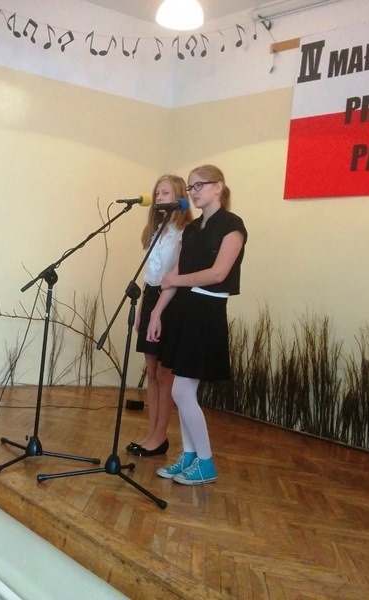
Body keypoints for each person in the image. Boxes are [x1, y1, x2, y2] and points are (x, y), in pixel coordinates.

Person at [147, 165, 247, 485]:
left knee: (181, 390)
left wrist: (175, 280)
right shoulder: (191, 230)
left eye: (199, 185)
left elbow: (218, 274)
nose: (193, 192)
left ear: (218, 187)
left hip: (207, 311)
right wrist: (156, 313)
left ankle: (206, 462)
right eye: (191, 187)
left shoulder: (232, 226)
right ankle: (190, 456)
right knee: (182, 390)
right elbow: (174, 275)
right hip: (185, 310)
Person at [127, 175, 193, 457]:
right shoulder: (156, 230)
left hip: (173, 302)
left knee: (165, 374)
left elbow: (175, 276)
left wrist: (157, 311)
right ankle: (151, 432)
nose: (159, 197)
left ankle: (161, 435)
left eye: (165, 193)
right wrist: (143, 308)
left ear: (179, 196)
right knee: (151, 372)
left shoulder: (185, 232)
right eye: (157, 193)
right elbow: (150, 275)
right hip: (151, 296)